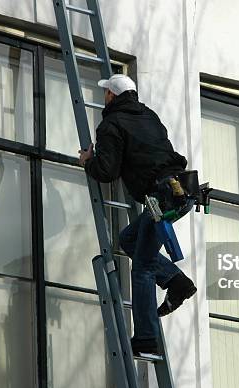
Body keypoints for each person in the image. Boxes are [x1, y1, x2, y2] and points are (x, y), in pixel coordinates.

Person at [78, 74, 197, 355]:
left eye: (106, 92)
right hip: (182, 190)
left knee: (142, 268)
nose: (104, 96)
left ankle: (145, 338)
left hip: (160, 198)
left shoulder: (110, 125)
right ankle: (176, 281)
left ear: (111, 96)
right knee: (129, 239)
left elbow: (106, 172)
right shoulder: (149, 115)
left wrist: (88, 162)